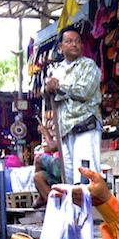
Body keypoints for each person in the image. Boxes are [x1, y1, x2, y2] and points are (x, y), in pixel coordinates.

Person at [44, 25, 102, 185]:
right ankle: (75, 210)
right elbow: (48, 96)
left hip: (85, 128)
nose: (74, 44)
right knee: (69, 180)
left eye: (77, 41)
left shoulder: (88, 65)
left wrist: (58, 86)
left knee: (85, 178)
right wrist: (47, 87)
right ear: (60, 48)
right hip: (65, 133)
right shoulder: (56, 70)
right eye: (69, 41)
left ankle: (89, 210)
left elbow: (85, 91)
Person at [32, 121, 62, 208]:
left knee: (38, 159)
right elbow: (52, 148)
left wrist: (45, 132)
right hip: (58, 163)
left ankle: (41, 196)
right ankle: (53, 206)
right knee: (37, 177)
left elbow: (53, 146)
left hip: (61, 167)